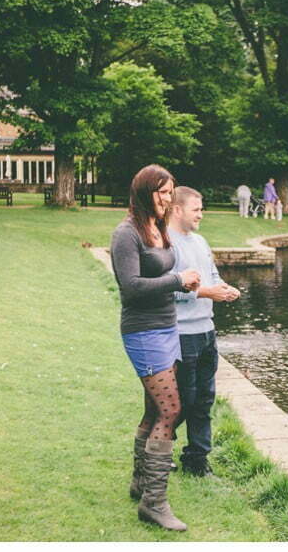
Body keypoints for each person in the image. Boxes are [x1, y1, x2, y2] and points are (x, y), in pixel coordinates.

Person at [109, 164, 201, 532]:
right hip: (143, 332)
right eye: (162, 192)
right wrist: (177, 279)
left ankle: (140, 483)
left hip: (166, 327)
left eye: (170, 192)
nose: (167, 198)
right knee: (171, 409)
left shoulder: (158, 227)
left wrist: (184, 283)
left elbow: (161, 276)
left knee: (153, 409)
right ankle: (154, 503)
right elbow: (131, 287)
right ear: (145, 192)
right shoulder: (126, 233)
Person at [167, 187, 240, 477]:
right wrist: (208, 293)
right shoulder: (165, 245)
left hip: (207, 331)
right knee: (182, 401)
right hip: (181, 335)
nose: (201, 214)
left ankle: (197, 460)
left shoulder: (200, 241)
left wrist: (224, 288)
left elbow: (212, 276)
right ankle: (157, 448)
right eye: (196, 209)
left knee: (204, 399)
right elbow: (167, 290)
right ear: (177, 210)